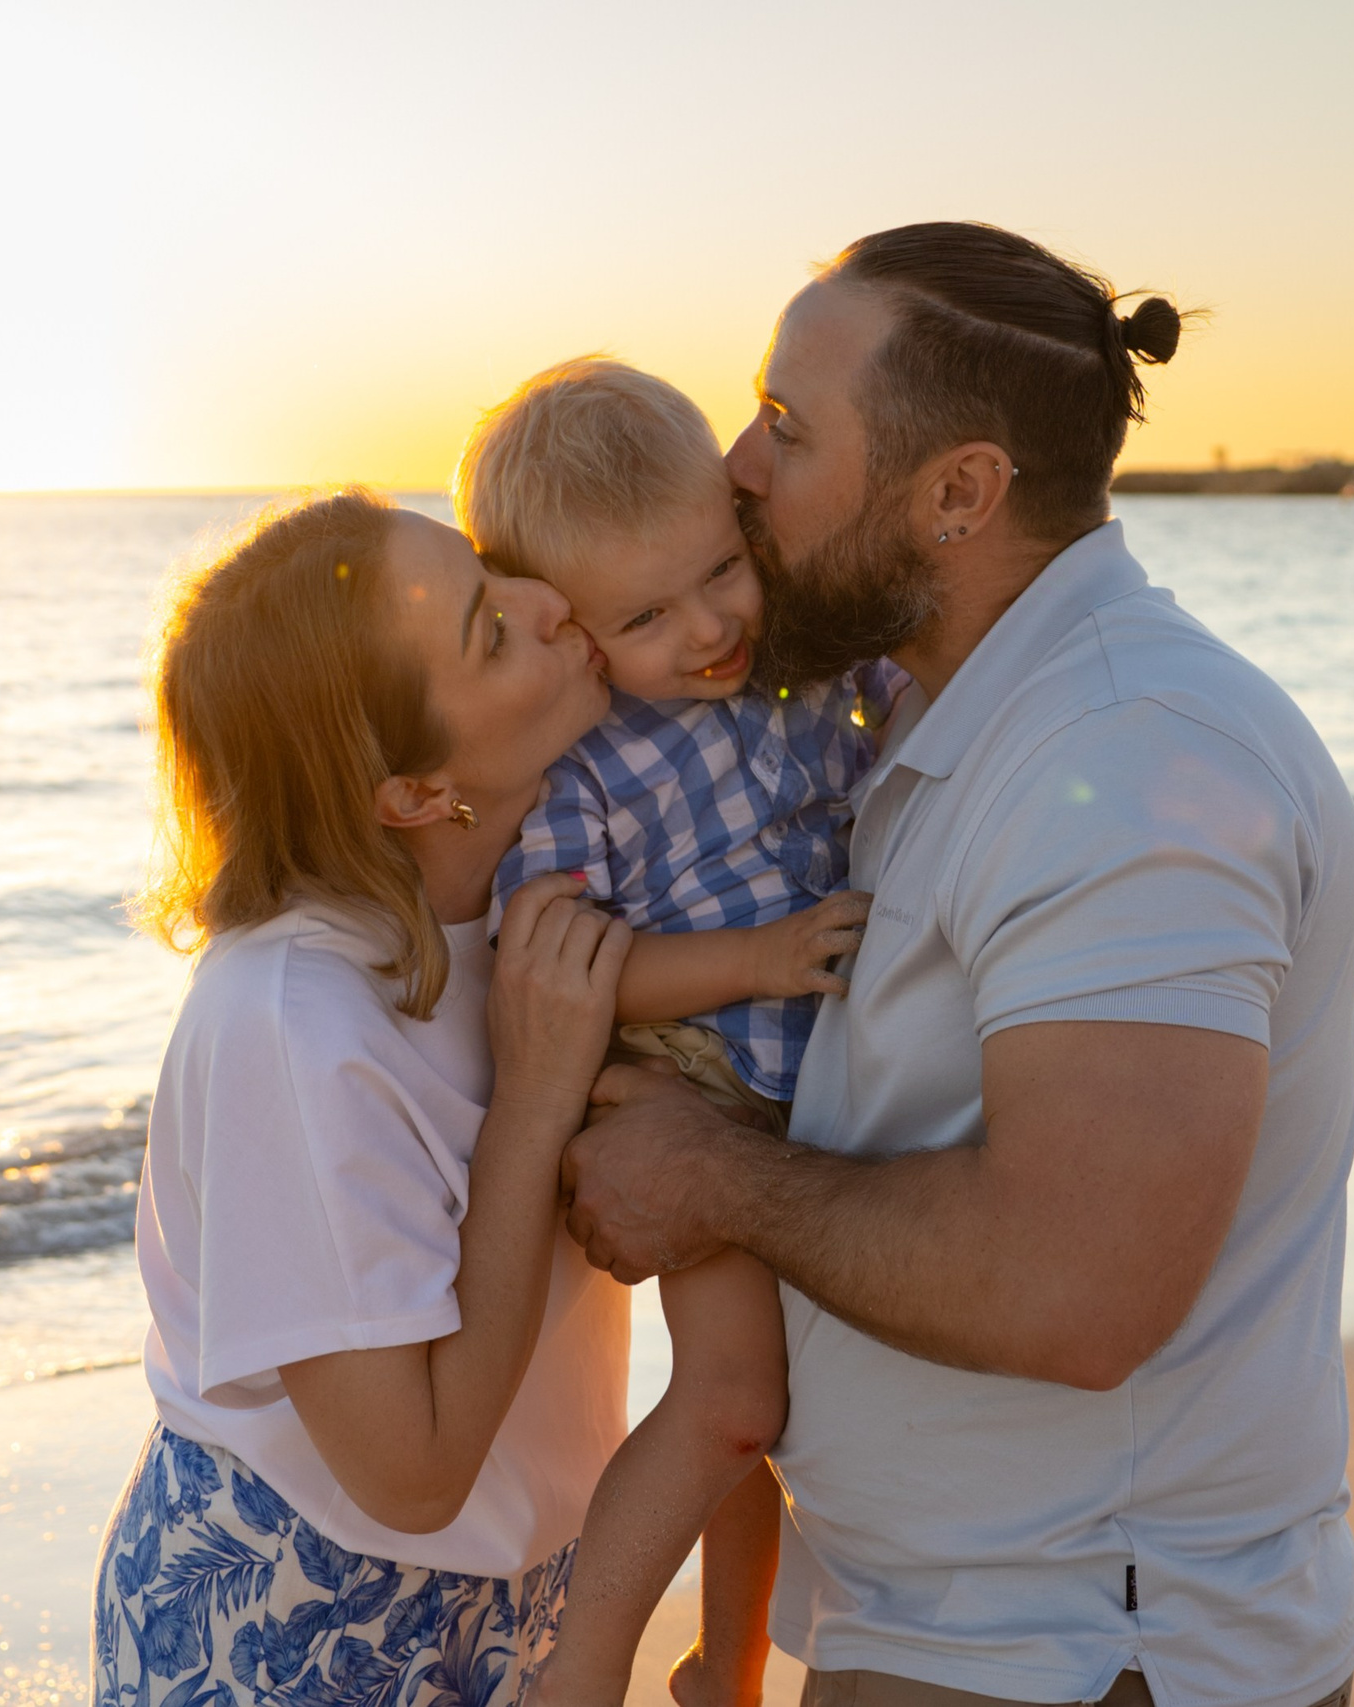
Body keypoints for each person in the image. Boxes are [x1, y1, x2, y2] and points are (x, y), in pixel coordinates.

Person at [560, 222, 1354, 1707]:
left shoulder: (1133, 755)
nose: (735, 465)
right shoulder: (958, 722)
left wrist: (714, 1175)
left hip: (1081, 1652)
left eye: (790, 429)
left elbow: (1078, 1282)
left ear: (956, 494)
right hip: (970, 1630)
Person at [96, 488, 637, 1707]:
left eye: (496, 579)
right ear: (407, 791)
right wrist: (536, 1104)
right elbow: (413, 1474)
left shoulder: (516, 916)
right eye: (491, 631)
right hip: (299, 1615)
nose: (553, 604)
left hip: (511, 1589)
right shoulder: (288, 1026)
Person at [454, 358, 896, 1707]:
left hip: (810, 1079)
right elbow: (578, 971)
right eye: (647, 615)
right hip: (693, 1077)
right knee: (729, 1400)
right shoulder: (583, 762)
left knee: (773, 1421)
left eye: (721, 568)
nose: (709, 625)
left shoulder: (799, 668)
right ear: (577, 633)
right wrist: (758, 957)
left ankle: (731, 1667)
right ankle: (577, 1676)